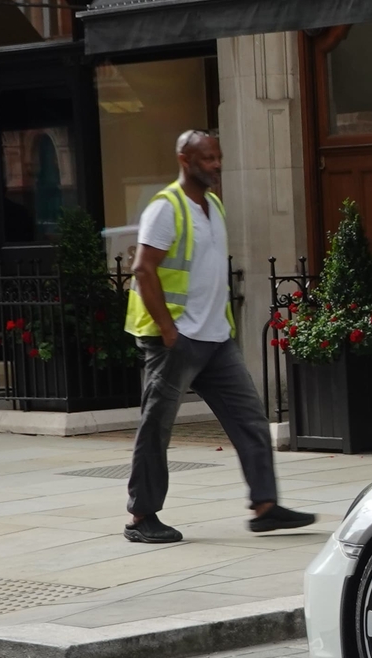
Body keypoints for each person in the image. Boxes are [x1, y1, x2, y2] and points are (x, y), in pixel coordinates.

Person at [124, 131, 315, 545]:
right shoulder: (166, 208)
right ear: (184, 159)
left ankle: (265, 507)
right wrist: (170, 331)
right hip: (176, 340)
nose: (216, 164)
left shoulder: (212, 205)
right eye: (207, 158)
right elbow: (143, 269)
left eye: (218, 156)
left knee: (250, 419)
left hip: (215, 338)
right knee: (156, 426)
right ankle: (141, 516)